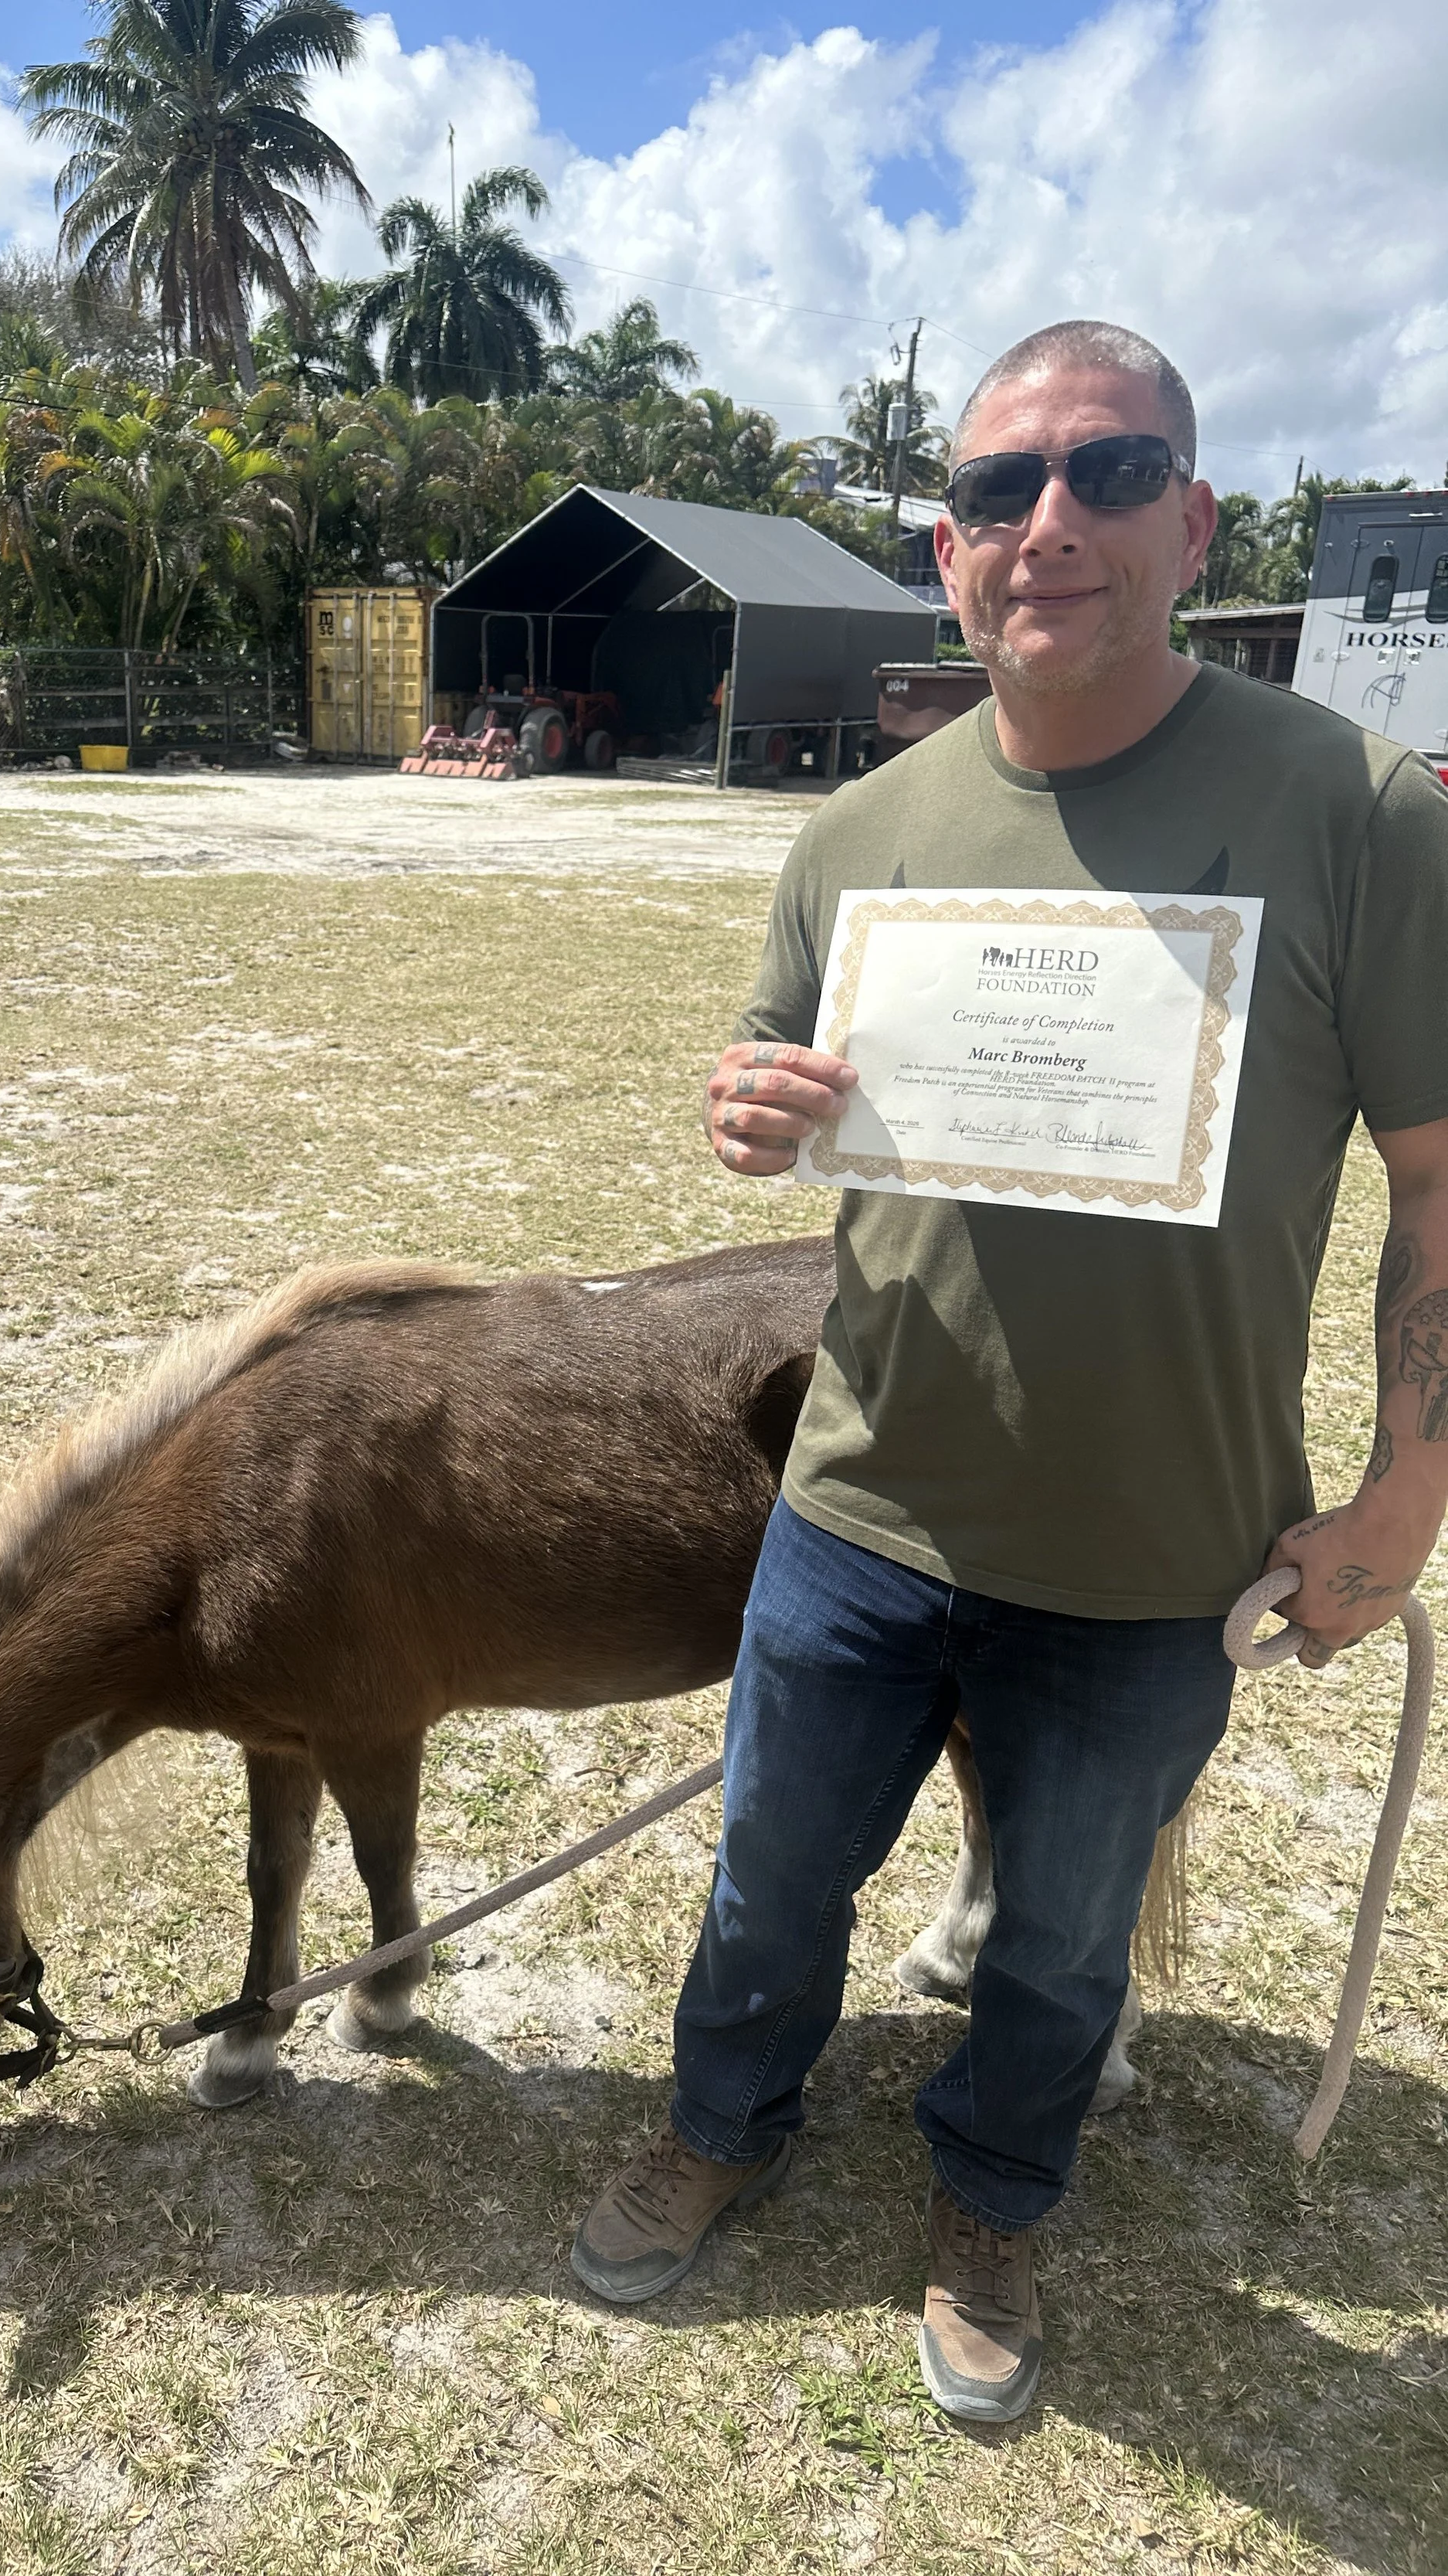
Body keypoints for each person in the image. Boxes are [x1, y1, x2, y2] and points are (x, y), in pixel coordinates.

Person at [570, 320, 1448, 2422]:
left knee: (1058, 1938)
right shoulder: (851, 836)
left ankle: (993, 2192)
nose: (1044, 524)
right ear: (946, 552)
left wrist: (1403, 1501)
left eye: (1105, 472)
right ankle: (722, 2118)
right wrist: (749, 1113)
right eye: (994, 491)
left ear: (1191, 518)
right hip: (863, 1504)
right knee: (773, 1871)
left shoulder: (1354, 807)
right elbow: (790, 1099)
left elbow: (1437, 1175)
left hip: (1157, 1548)